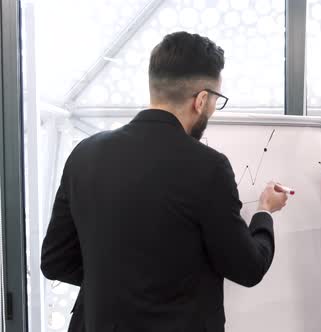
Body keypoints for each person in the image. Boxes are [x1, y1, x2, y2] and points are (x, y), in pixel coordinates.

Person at [41, 31, 289, 332]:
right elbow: (248, 268)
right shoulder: (208, 168)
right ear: (201, 100)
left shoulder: (85, 154)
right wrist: (264, 212)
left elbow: (55, 260)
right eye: (215, 101)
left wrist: (122, 286)